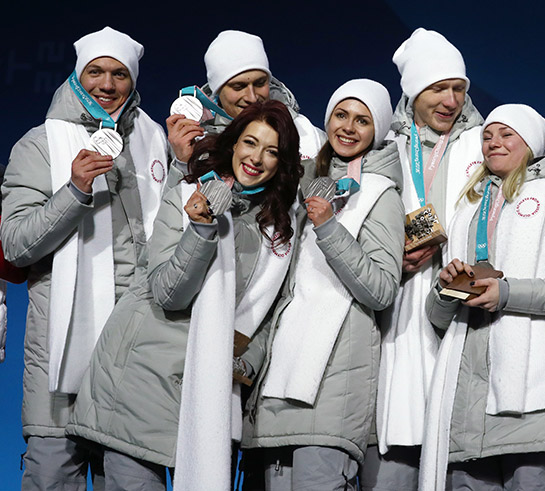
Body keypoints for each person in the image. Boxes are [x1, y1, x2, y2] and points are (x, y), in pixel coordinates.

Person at [66, 100, 302, 490]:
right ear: (233, 144)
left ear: (283, 162)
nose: (256, 157)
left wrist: (247, 362)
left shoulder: (279, 231)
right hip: (142, 380)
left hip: (212, 394)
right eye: (249, 142)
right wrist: (201, 231)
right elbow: (167, 293)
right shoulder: (186, 195)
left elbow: (269, 317)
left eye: (272, 150)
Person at [0, 27, 168, 490]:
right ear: (78, 75)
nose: (107, 85)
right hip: (63, 352)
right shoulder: (40, 144)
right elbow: (16, 244)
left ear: (133, 81)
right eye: (95, 72)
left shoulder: (156, 141)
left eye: (119, 74)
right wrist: (73, 190)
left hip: (136, 347)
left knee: (136, 479)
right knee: (53, 477)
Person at [244, 79, 404, 490]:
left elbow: (382, 289)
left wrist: (330, 229)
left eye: (362, 121)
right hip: (279, 384)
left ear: (378, 130)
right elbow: (281, 291)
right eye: (341, 115)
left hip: (334, 384)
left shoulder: (382, 194)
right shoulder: (302, 187)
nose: (348, 127)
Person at [421, 104, 545, 491]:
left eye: (506, 134)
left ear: (529, 143)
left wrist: (506, 293)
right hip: (467, 408)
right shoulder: (466, 209)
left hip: (534, 404)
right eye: (487, 135)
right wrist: (447, 288)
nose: (493, 142)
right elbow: (437, 318)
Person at [365, 28, 485, 491]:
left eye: (459, 89)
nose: (451, 99)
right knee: (396, 443)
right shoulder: (384, 149)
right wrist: (392, 253)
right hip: (395, 307)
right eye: (438, 88)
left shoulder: (482, 143)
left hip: (460, 303)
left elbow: (533, 165)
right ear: (413, 93)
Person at [166, 30, 323, 184]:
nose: (252, 97)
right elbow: (172, 206)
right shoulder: (190, 141)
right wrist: (183, 165)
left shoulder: (306, 133)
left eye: (260, 83)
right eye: (239, 86)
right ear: (218, 91)